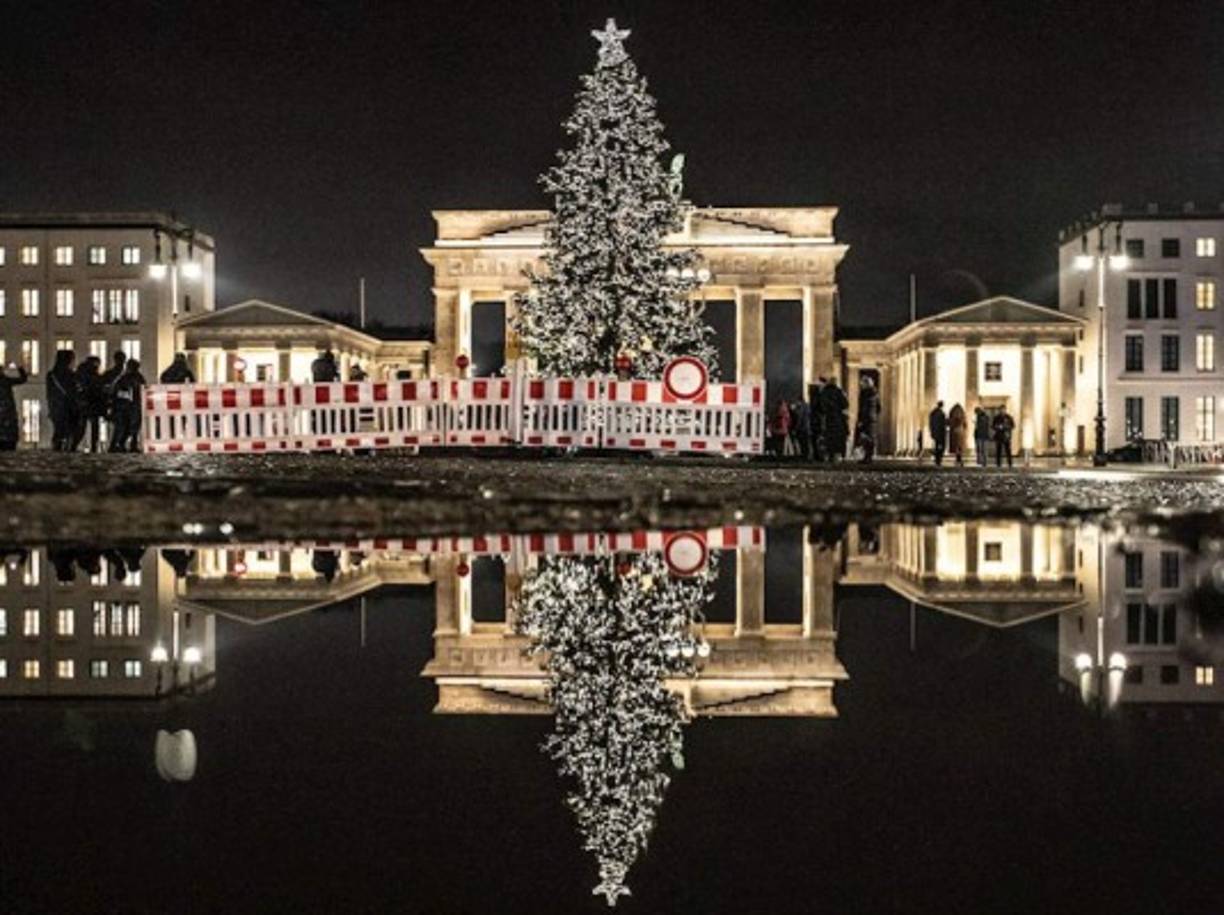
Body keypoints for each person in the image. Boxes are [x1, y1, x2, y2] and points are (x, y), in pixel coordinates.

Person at [109, 358, 147, 452]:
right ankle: (121, 445)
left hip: (127, 406)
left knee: (127, 427)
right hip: (129, 406)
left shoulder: (124, 377)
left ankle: (120, 445)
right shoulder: (133, 377)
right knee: (128, 427)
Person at [47, 349, 80, 451]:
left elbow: (49, 393)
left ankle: (57, 448)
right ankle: (67, 449)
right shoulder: (71, 375)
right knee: (70, 430)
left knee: (58, 430)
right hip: (69, 407)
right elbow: (74, 392)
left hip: (55, 407)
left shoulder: (51, 375)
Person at [74, 355, 106, 452]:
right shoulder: (93, 375)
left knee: (82, 427)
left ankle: (73, 446)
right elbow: (97, 388)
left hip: (85, 403)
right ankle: (93, 447)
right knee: (93, 426)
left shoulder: (80, 374)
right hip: (91, 402)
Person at [100, 351, 127, 446]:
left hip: (117, 402)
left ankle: (115, 444)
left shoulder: (109, 374)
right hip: (117, 402)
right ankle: (114, 444)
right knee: (119, 424)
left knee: (120, 424)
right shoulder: (122, 375)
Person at [0, 362, 29, 451]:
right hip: (8, 412)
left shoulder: (6, 380)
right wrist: (20, 368)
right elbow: (23, 379)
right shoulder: (5, 380)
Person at [820, 377, 850, 461]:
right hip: (837, 417)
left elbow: (821, 406)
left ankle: (830, 454)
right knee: (837, 437)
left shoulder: (824, 392)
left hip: (827, 418)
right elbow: (846, 404)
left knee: (828, 437)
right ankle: (837, 454)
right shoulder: (839, 392)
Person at [855, 375, 880, 463]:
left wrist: (860, 419)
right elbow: (879, 407)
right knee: (870, 437)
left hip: (865, 418)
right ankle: (869, 456)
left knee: (865, 436)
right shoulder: (875, 393)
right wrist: (874, 415)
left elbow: (863, 407)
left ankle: (867, 457)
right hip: (872, 418)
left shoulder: (864, 393)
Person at [808, 377, 827, 461]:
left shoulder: (814, 396)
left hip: (815, 419)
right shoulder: (821, 395)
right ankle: (819, 455)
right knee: (819, 438)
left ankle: (817, 455)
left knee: (815, 438)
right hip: (819, 420)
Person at [927, 401, 948, 466]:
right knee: (941, 446)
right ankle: (938, 458)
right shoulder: (941, 414)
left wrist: (931, 431)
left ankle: (937, 459)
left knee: (937, 446)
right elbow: (943, 423)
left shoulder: (933, 413)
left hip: (936, 432)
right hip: (940, 433)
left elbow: (931, 423)